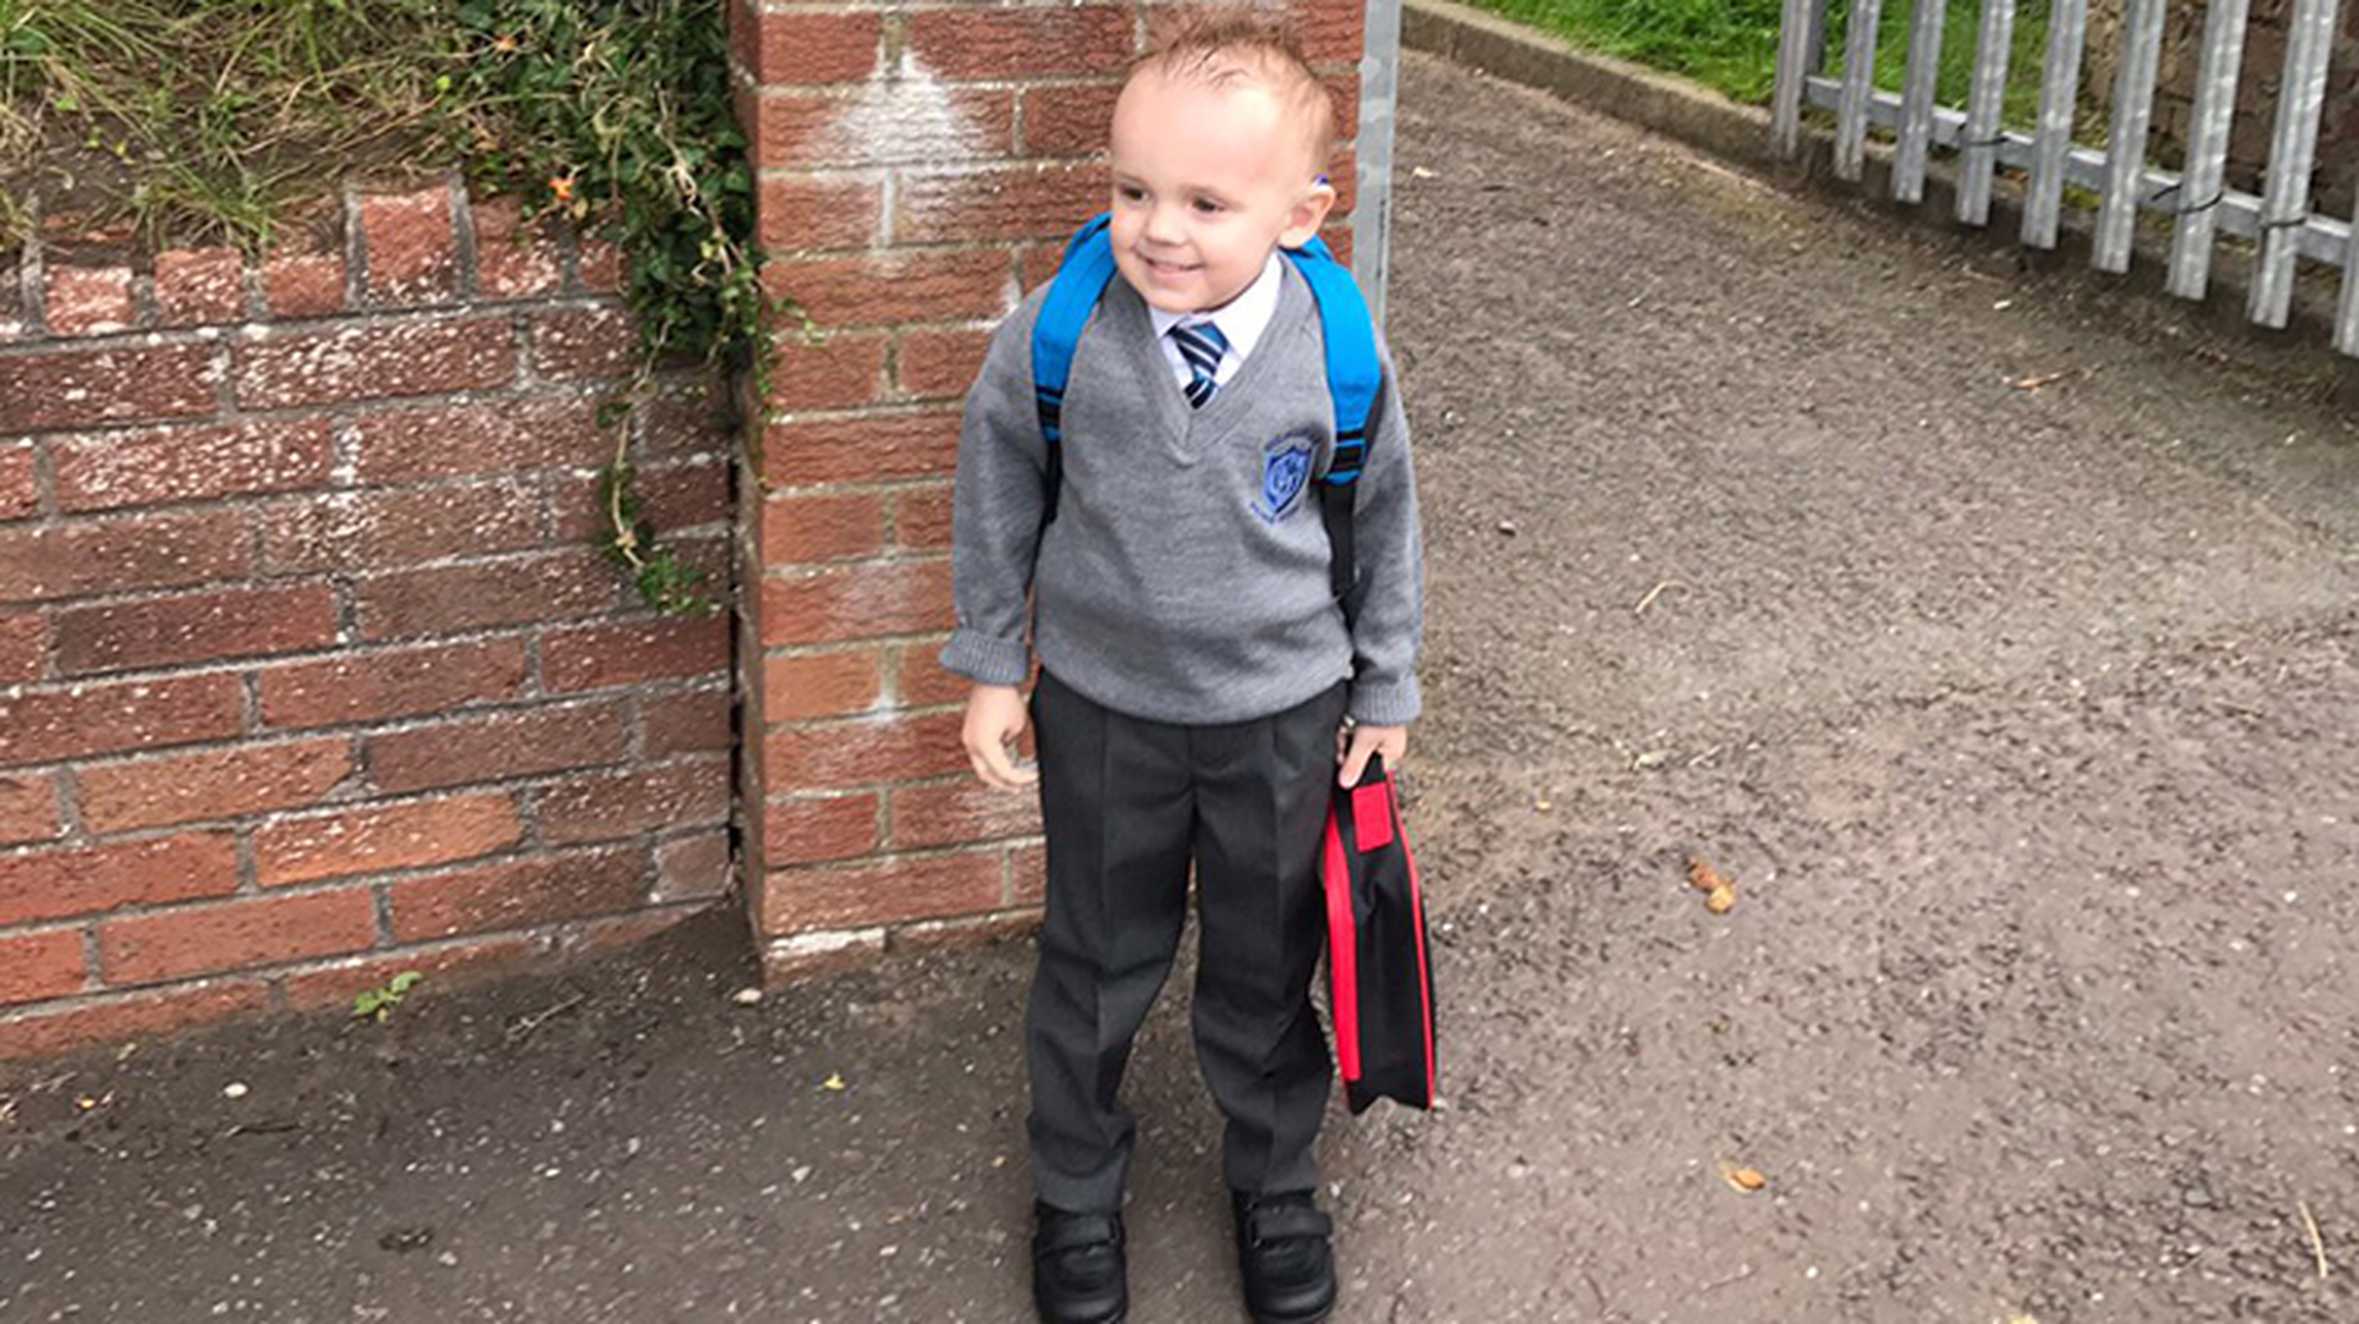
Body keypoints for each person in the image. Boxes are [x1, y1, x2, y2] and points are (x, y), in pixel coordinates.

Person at [940, 9, 1423, 1322]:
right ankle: (1076, 1192)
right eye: (1133, 188)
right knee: (1095, 962)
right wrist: (995, 660)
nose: (1160, 227)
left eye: (1209, 201)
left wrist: (1386, 686)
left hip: (1282, 716)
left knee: (1267, 968)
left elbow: (1382, 520)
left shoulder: (1335, 346)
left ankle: (1272, 1182)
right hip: (1105, 711)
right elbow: (999, 489)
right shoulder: (1066, 330)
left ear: (1302, 212)